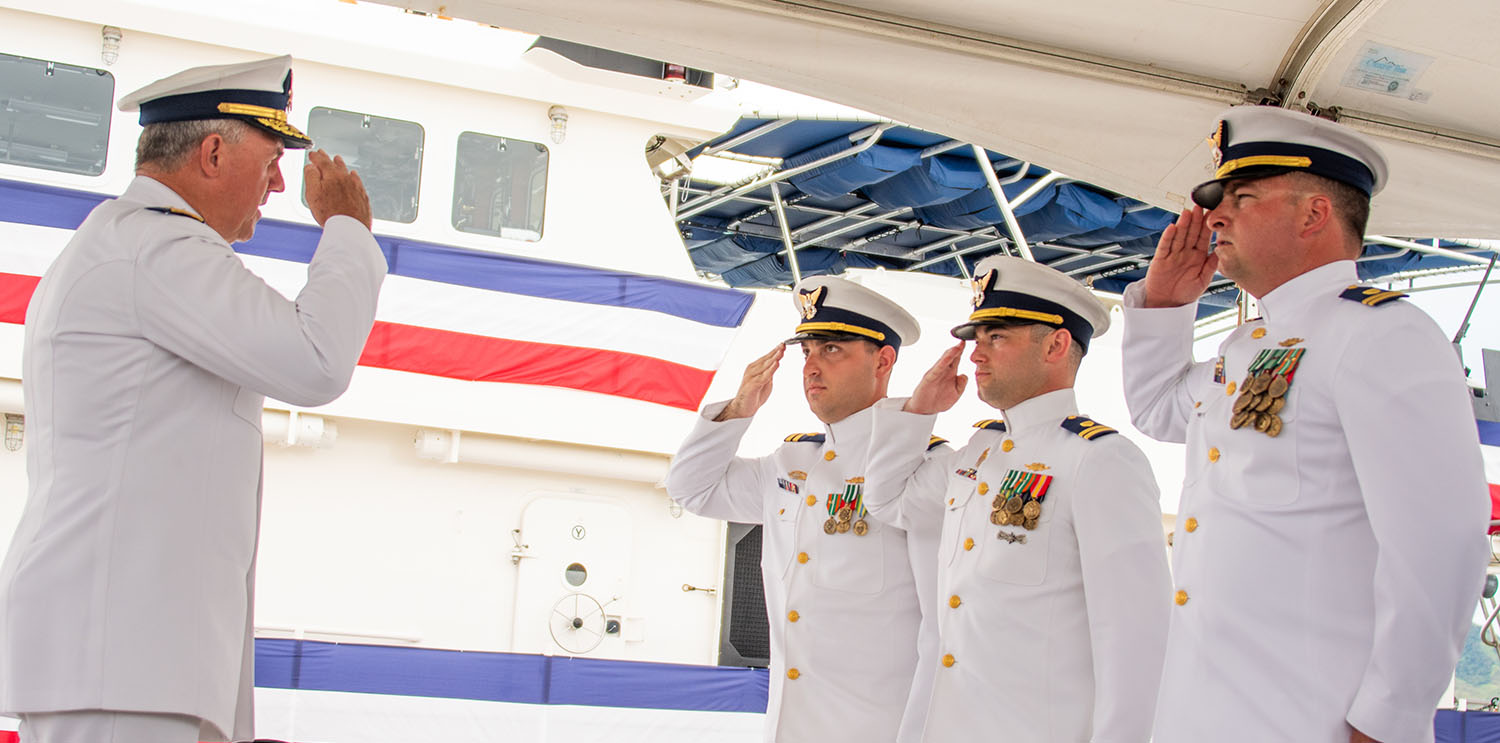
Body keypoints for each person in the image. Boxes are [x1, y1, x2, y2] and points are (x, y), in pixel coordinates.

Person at [0, 56, 386, 743]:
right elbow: (316, 360)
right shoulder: (156, 247)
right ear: (212, 153)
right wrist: (348, 230)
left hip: (128, 663)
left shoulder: (133, 244)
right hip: (123, 667)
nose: (277, 185)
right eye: (271, 160)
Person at [1123, 105, 1491, 743]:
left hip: (1313, 720)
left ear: (1314, 214)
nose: (1216, 216)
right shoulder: (1246, 348)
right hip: (1206, 715)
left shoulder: (1382, 334)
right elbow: (1157, 409)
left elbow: (1441, 543)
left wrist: (1390, 718)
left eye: (1243, 197)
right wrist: (1163, 306)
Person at [862, 255, 1171, 742]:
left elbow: (1135, 640)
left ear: (1056, 345)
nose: (976, 355)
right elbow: (888, 500)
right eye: (977, 339)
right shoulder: (978, 451)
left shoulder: (1099, 460)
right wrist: (919, 411)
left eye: (997, 337)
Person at [666, 275, 943, 742]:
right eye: (807, 352)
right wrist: (739, 408)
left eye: (831, 349)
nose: (811, 368)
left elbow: (942, 627)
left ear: (883, 360)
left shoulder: (924, 467)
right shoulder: (792, 462)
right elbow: (692, 489)